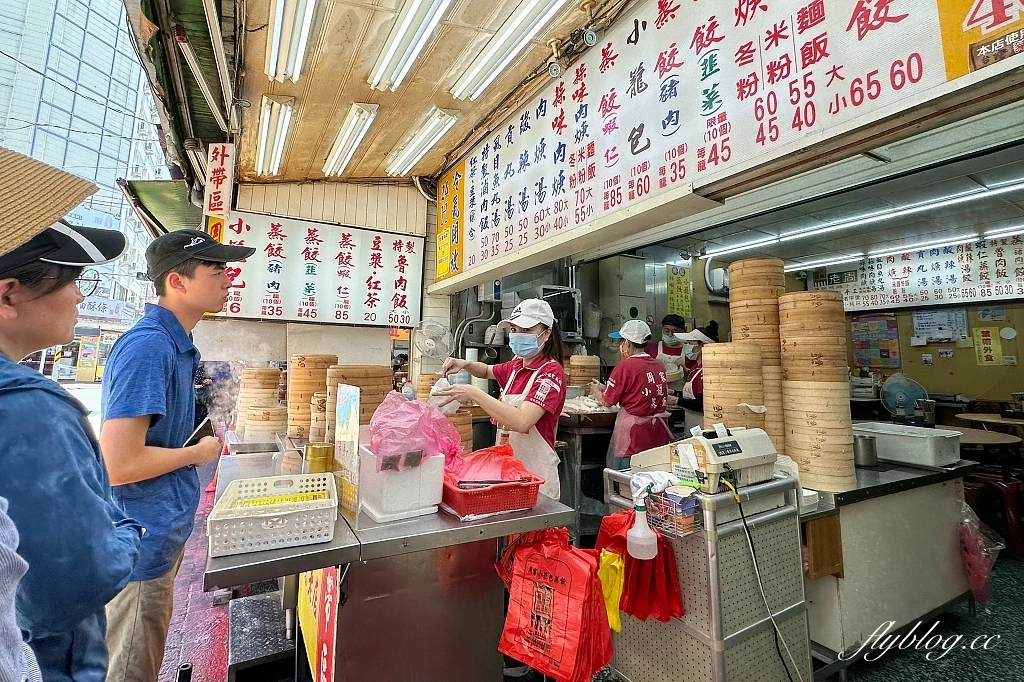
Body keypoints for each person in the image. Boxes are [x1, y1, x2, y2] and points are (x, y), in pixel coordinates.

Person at [0, 148, 143, 682]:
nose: (79, 295)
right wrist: (126, 529)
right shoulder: (29, 408)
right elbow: (74, 580)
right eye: (69, 279)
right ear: (9, 294)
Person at [99, 230, 254, 682]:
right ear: (177, 282)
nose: (229, 279)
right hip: (139, 542)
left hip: (157, 533)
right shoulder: (149, 347)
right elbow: (118, 462)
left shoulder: (177, 345)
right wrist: (198, 453)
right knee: (129, 667)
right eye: (217, 269)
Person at [435, 299, 565, 499]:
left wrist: (474, 393)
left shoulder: (550, 372)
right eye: (514, 328)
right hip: (508, 473)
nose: (518, 335)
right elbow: (487, 370)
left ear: (546, 333)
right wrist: (464, 363)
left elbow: (522, 421)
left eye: (527, 329)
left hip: (536, 479)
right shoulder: (516, 366)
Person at [592, 320, 672, 470]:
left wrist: (597, 392)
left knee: (628, 479)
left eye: (622, 341)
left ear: (627, 343)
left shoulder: (625, 366)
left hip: (634, 436)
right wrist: (606, 387)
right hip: (656, 434)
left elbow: (608, 401)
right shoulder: (657, 364)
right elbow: (637, 388)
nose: (620, 346)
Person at [674, 326, 716, 431]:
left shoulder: (707, 370)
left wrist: (677, 401)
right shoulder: (695, 368)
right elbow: (691, 395)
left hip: (702, 425)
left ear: (703, 346)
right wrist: (674, 393)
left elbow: (702, 403)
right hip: (691, 424)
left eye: (690, 343)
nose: (687, 347)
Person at [646, 314, 688, 392]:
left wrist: (685, 370)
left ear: (683, 330)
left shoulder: (689, 352)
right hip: (656, 394)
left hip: (680, 395)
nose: (670, 335)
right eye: (667, 331)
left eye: (675, 331)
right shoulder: (651, 348)